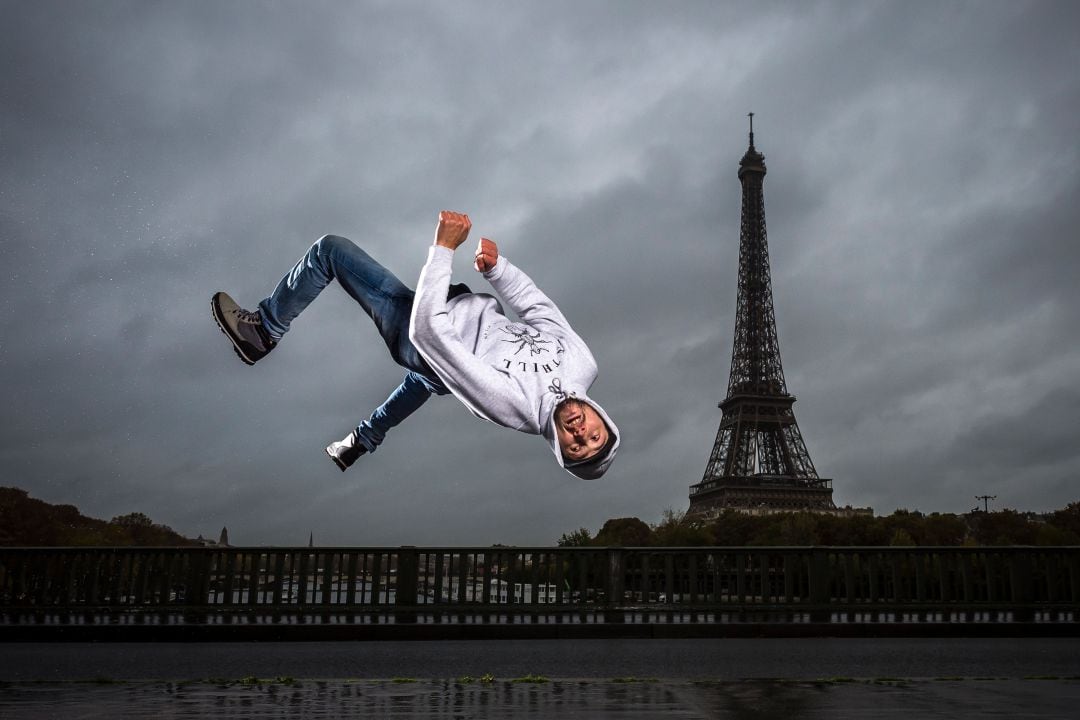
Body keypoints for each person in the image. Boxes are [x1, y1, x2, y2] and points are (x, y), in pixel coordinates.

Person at [211, 211, 619, 479]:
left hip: (428, 333)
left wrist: (442, 249)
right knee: (425, 385)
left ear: (559, 448)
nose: (581, 433)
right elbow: (539, 311)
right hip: (453, 351)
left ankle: (263, 331)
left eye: (576, 447)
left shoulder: (515, 408)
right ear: (605, 424)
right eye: (594, 438)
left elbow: (428, 334)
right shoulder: (584, 365)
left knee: (330, 251)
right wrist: (500, 271)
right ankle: (361, 441)